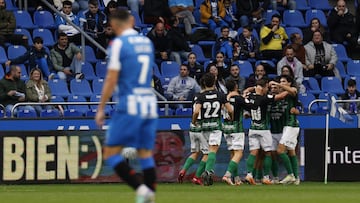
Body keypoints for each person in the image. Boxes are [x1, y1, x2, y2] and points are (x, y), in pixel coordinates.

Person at [95, 8, 158, 203]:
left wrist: (101, 108)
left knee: (110, 153)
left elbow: (112, 77)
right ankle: (150, 194)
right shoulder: (147, 42)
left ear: (113, 25)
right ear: (131, 20)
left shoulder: (118, 44)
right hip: (149, 103)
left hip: (130, 103)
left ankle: (141, 189)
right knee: (145, 153)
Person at [242, 78, 289, 185]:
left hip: (253, 128)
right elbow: (281, 96)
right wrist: (291, 89)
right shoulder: (265, 98)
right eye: (266, 87)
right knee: (268, 153)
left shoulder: (249, 97)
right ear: (263, 88)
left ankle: (249, 175)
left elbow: (245, 92)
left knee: (253, 152)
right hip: (263, 129)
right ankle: (266, 177)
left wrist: (252, 88)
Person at [192, 73, 233, 186]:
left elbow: (196, 111)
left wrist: (194, 121)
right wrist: (231, 117)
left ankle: (202, 174)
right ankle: (208, 171)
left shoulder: (201, 96)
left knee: (207, 151)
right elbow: (230, 109)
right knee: (213, 150)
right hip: (216, 126)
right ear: (214, 82)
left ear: (204, 83)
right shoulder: (220, 95)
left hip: (204, 127)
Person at [178, 77, 208, 185]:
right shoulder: (206, 97)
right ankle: (197, 177)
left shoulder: (195, 96)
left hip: (192, 127)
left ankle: (183, 170)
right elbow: (197, 112)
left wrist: (193, 122)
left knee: (195, 152)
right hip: (201, 126)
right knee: (207, 154)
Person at [271, 75, 300, 185]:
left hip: (291, 124)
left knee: (280, 150)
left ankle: (290, 175)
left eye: (284, 81)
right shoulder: (281, 95)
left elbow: (293, 92)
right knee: (291, 151)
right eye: (280, 81)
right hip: (286, 126)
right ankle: (296, 178)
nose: (281, 83)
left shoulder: (292, 91)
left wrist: (278, 84)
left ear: (289, 83)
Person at [221, 79, 247, 185]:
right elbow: (250, 106)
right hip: (237, 128)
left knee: (232, 153)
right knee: (239, 153)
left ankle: (236, 179)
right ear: (236, 86)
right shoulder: (238, 98)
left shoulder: (224, 98)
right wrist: (244, 97)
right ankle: (227, 175)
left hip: (226, 128)